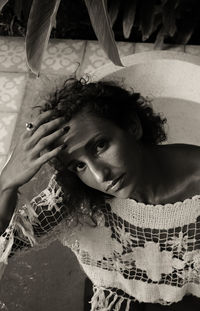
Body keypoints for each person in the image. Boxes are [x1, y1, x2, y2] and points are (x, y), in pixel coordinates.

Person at [0, 77, 200, 311]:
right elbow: (12, 242)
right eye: (79, 165)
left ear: (132, 126)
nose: (99, 175)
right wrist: (5, 184)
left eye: (100, 145)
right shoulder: (79, 192)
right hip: (113, 297)